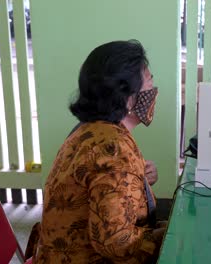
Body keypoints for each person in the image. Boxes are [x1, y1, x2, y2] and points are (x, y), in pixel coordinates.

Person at [34, 40, 164, 263]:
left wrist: (135, 184)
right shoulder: (113, 149)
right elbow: (117, 242)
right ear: (128, 96)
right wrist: (169, 235)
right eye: (150, 82)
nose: (153, 92)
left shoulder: (90, 131)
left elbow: (100, 189)